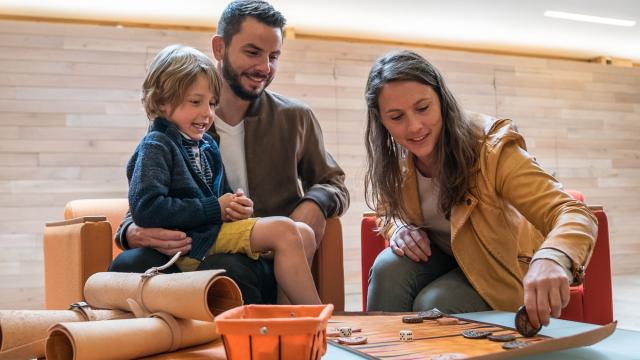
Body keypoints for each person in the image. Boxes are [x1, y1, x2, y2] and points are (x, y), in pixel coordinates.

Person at [110, 0, 349, 305]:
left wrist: (314, 205)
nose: (265, 67)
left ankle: (304, 329)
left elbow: (334, 183)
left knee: (231, 270)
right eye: (252, 52)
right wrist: (130, 232)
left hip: (259, 251)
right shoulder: (179, 119)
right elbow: (145, 198)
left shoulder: (295, 117)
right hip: (198, 240)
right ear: (220, 48)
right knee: (129, 265)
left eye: (273, 56)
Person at [363, 50, 597, 329]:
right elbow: (386, 208)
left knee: (435, 303)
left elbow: (572, 212)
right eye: (396, 117)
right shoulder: (398, 158)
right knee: (388, 268)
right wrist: (399, 227)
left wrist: (552, 258)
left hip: (498, 271)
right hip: (441, 261)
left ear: (441, 100)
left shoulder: (493, 148)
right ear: (381, 120)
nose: (414, 126)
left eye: (423, 108)